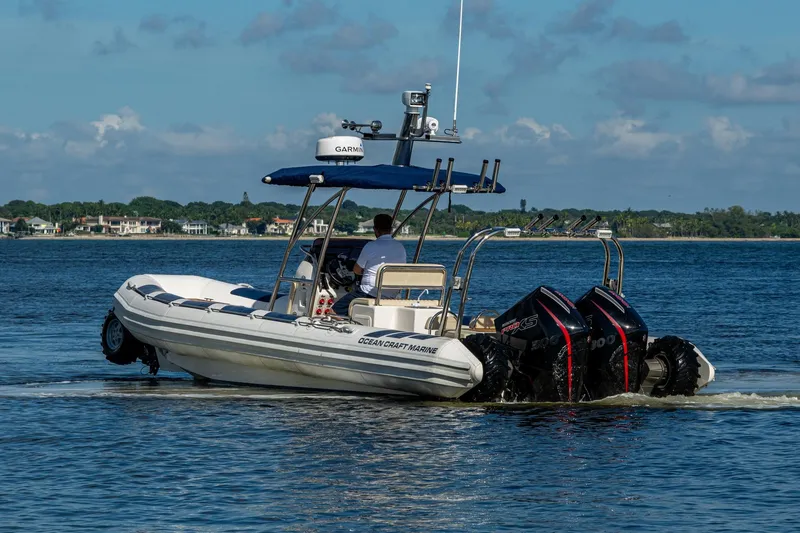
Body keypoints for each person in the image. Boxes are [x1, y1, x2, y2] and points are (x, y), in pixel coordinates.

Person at [332, 213, 407, 316]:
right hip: (392, 293)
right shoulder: (400, 247)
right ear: (391, 229)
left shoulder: (370, 246)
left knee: (334, 310)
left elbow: (356, 270)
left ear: (375, 229)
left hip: (370, 293)